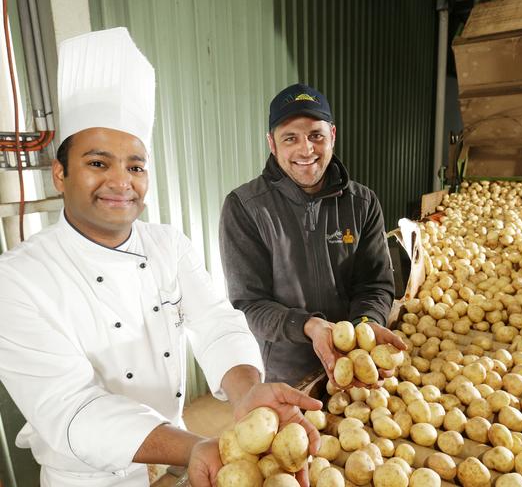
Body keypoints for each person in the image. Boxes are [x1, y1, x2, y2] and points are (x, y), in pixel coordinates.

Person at [0, 29, 321, 487]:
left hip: (172, 460)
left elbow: (216, 323)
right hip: (89, 478)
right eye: (97, 163)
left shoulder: (166, 244)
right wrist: (195, 447)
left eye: (135, 165)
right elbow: (70, 408)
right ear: (59, 174)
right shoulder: (18, 279)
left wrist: (247, 393)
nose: (120, 181)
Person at [219, 83, 406, 386]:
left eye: (316, 136)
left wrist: (367, 324)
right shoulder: (245, 207)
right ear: (272, 143)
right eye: (290, 138)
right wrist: (307, 326)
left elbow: (374, 283)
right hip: (284, 375)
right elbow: (249, 304)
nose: (306, 150)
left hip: (353, 366)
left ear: (332, 135)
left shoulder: (363, 203)